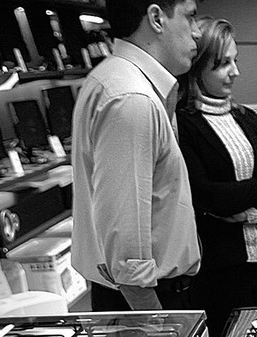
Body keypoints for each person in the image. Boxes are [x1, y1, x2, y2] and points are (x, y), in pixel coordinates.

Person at [71, 0, 202, 311]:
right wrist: (156, 326)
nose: (197, 33)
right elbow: (127, 245)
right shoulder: (132, 97)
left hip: (138, 299)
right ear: (156, 18)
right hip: (143, 304)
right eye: (190, 17)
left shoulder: (122, 81)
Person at [177, 17, 257, 337]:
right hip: (220, 269)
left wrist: (252, 213)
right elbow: (208, 195)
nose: (235, 72)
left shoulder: (246, 117)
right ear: (198, 68)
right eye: (223, 64)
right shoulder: (184, 123)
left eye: (235, 61)